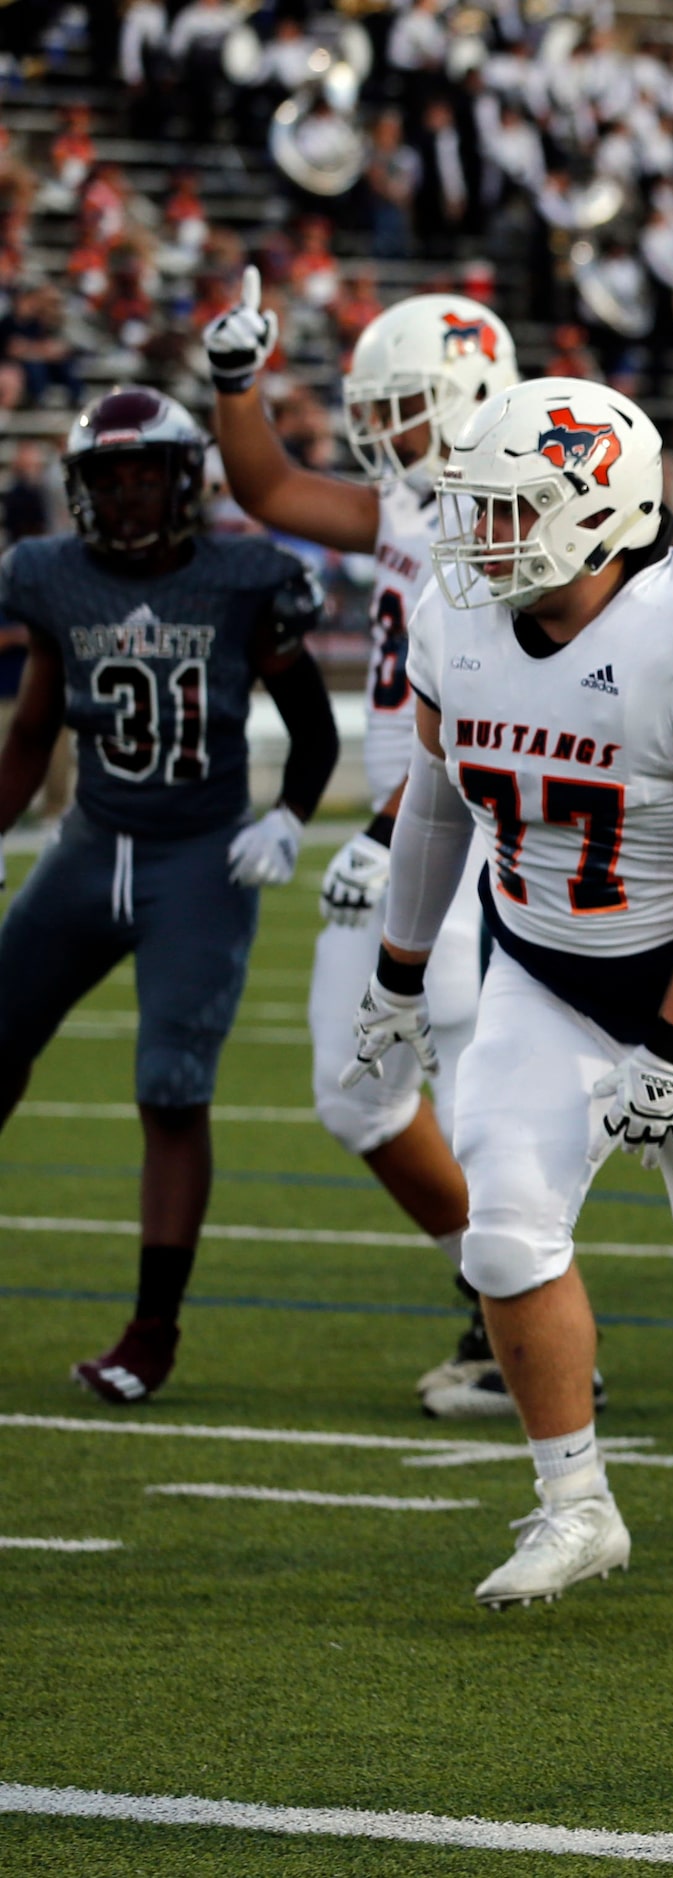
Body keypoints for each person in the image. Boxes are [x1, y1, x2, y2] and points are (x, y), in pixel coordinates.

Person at [351, 379, 673, 1608]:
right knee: (504, 1231)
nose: (480, 536)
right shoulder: (454, 621)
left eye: (512, 509)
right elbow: (432, 805)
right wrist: (398, 975)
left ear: (599, 511)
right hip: (545, 970)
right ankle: (574, 1504)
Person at [204, 270, 524, 1418]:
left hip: (469, 833)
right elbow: (270, 484)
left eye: (405, 406)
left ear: (474, 393)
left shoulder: (511, 515)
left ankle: (522, 1334)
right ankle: (492, 1292)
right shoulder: (406, 505)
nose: (381, 430)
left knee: (474, 1080)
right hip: (395, 829)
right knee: (357, 1092)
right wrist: (236, 382)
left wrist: (391, 825)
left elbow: (480, 702)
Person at [0, 387, 337, 1403]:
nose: (131, 493)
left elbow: (314, 727)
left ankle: (151, 1334)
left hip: (197, 857)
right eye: (110, 476)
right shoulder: (51, 576)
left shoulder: (244, 579)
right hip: (90, 844)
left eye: (148, 472)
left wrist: (289, 817)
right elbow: (30, 733)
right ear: (82, 487)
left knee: (169, 1089)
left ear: (188, 480)